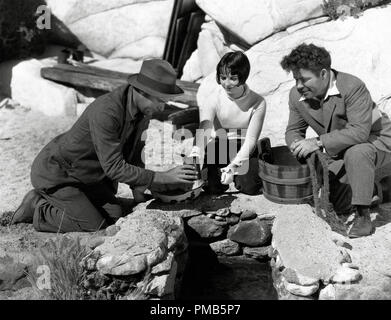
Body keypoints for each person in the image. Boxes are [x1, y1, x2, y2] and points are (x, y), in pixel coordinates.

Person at [11, 59, 198, 233]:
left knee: (114, 215)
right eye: (160, 100)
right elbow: (114, 168)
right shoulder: (107, 112)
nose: (162, 108)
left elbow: (135, 151)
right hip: (58, 174)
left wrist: (138, 189)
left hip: (89, 177)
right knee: (95, 226)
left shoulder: (143, 110)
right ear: (141, 91)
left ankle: (75, 203)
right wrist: (162, 177)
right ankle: (38, 208)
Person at [281, 43, 391, 238]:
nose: (298, 85)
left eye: (304, 79)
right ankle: (380, 189)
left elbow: (359, 132)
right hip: (341, 146)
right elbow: (293, 130)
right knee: (338, 204)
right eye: (296, 79)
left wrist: (317, 143)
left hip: (376, 138)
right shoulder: (296, 95)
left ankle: (363, 217)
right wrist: (297, 143)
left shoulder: (352, 86)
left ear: (323, 74)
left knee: (357, 153)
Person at [189, 51, 266, 195]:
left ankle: (251, 165)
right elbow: (205, 127)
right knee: (212, 187)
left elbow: (251, 140)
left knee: (249, 187)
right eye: (223, 77)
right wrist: (196, 151)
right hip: (219, 145)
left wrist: (234, 167)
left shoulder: (258, 102)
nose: (226, 83)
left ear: (242, 77)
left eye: (233, 78)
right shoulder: (213, 98)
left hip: (244, 147)